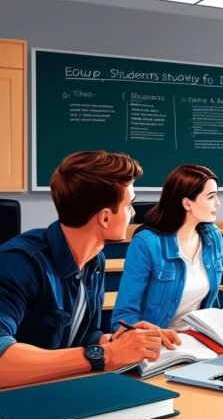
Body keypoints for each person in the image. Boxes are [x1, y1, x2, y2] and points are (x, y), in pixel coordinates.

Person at [0, 151, 170, 388]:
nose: (133, 213)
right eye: (129, 205)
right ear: (105, 218)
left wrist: (117, 340)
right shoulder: (19, 262)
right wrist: (107, 355)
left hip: (62, 389)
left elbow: (83, 336)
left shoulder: (95, 262)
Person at [112, 164, 223, 332]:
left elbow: (211, 303)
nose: (218, 203)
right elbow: (123, 317)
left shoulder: (213, 236)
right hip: (158, 346)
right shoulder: (147, 243)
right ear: (187, 203)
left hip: (198, 339)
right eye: (211, 197)